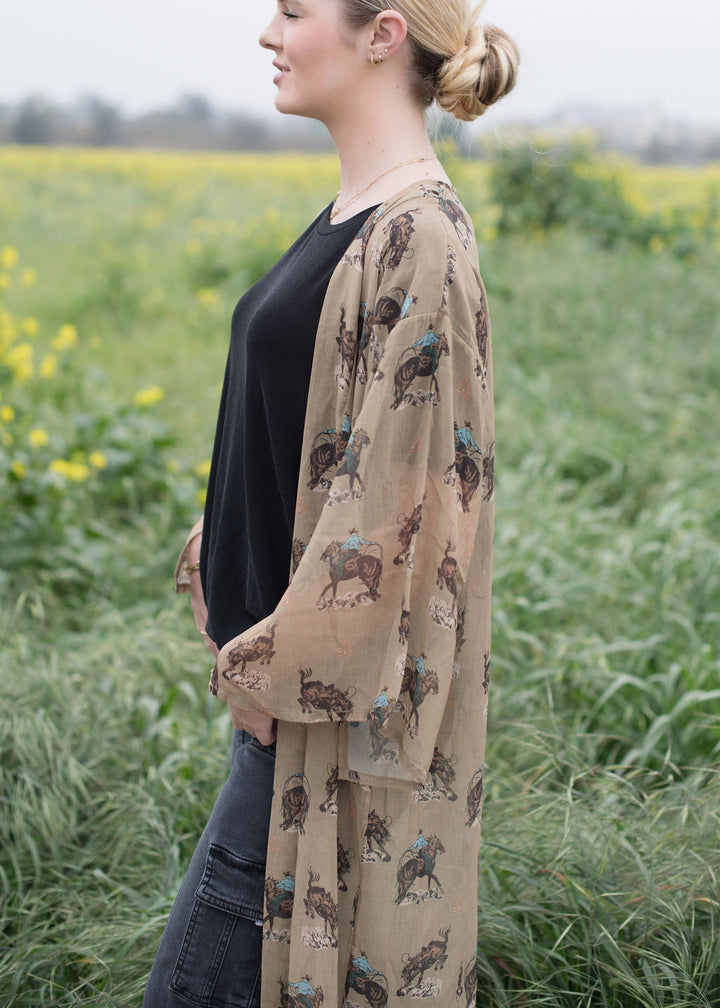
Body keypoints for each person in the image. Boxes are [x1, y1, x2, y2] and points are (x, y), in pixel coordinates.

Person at [143, 2, 518, 1006]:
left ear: (382, 33)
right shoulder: (360, 210)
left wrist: (266, 683)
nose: (268, 33)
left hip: (308, 726)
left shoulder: (421, 238)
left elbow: (410, 520)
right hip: (278, 713)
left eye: (293, 10)